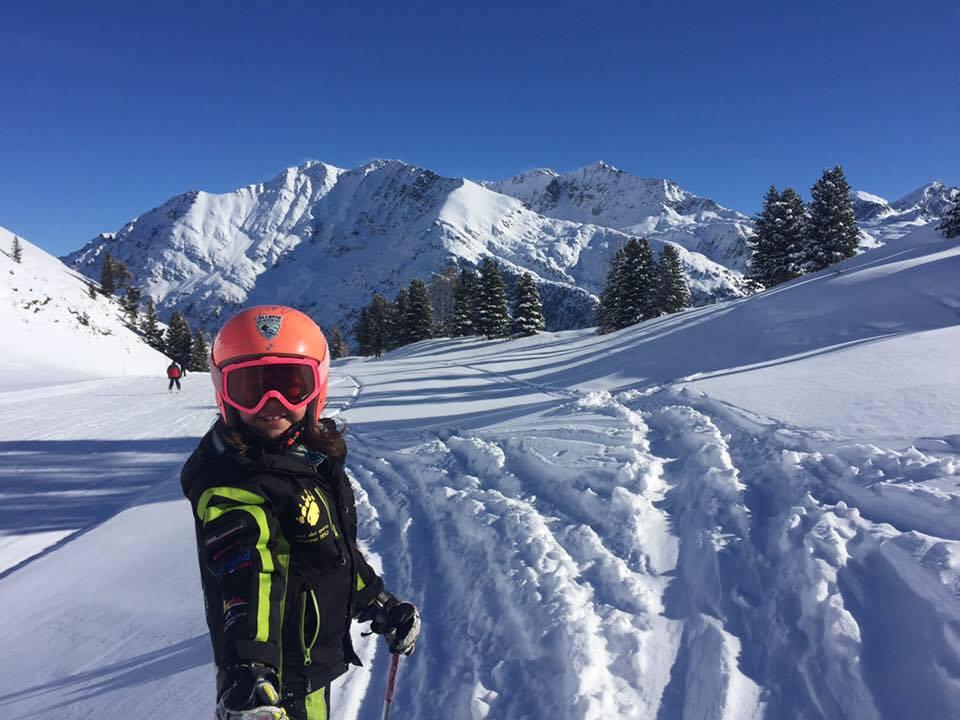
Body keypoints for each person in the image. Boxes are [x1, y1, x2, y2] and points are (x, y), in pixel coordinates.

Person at [181, 305, 419, 720]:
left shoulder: (308, 456)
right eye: (250, 389)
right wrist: (249, 669)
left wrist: (378, 602)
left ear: (316, 388)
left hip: (310, 665)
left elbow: (326, 553)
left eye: (291, 386)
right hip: (278, 683)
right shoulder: (231, 486)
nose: (271, 404)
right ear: (224, 394)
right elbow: (245, 568)